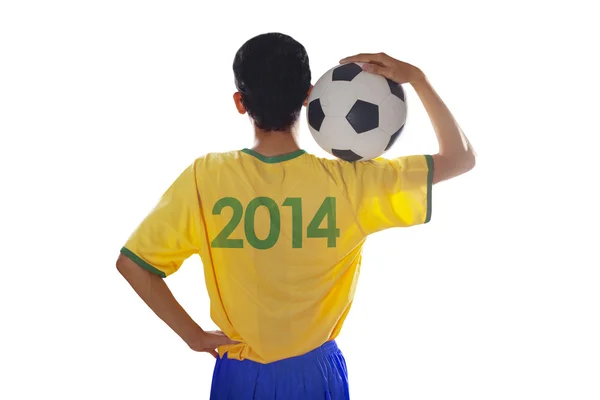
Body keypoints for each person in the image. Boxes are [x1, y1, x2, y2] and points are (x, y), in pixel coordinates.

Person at [116, 32, 476, 399]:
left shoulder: (204, 177)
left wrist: (192, 335)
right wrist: (417, 79)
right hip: (316, 373)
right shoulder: (353, 182)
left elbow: (133, 263)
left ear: (241, 102)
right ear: (309, 96)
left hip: (238, 372)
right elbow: (461, 158)